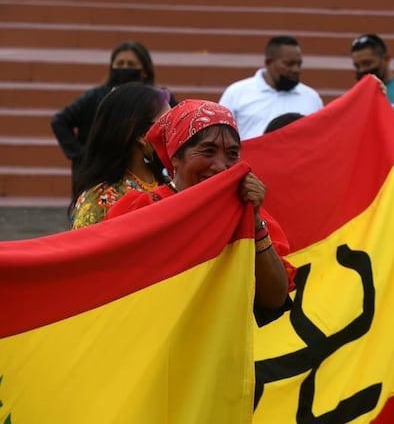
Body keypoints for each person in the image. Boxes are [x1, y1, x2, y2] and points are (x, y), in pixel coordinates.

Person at [105, 100, 293, 319]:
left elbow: (274, 298)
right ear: (176, 156)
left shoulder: (246, 213)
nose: (221, 166)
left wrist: (254, 219)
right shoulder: (140, 210)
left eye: (232, 154)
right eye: (208, 151)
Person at [51, 40, 171, 201]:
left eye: (131, 64)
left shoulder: (158, 100)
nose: (125, 68)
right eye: (120, 63)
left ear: (144, 69)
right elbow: (60, 121)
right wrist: (80, 154)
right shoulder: (95, 97)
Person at [70, 84, 171, 229]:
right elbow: (85, 243)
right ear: (142, 135)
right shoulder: (102, 199)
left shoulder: (167, 181)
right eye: (168, 124)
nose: (175, 132)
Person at [219, 35, 324, 140]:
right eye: (289, 64)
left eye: (299, 64)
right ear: (268, 62)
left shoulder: (312, 98)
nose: (296, 69)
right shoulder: (236, 93)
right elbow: (220, 134)